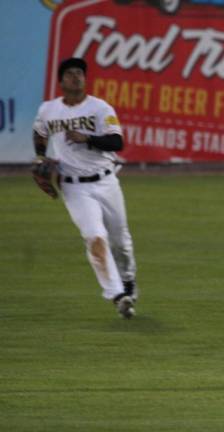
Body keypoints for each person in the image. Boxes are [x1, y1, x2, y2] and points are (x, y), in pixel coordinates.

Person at [32, 57, 138, 318]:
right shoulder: (49, 110)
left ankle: (127, 279)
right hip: (74, 187)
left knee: (120, 242)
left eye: (80, 73)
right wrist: (40, 157)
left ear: (85, 78)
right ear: (61, 81)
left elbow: (116, 142)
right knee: (95, 238)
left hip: (105, 181)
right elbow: (40, 133)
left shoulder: (99, 108)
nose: (75, 77)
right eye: (70, 73)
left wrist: (87, 138)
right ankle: (117, 295)